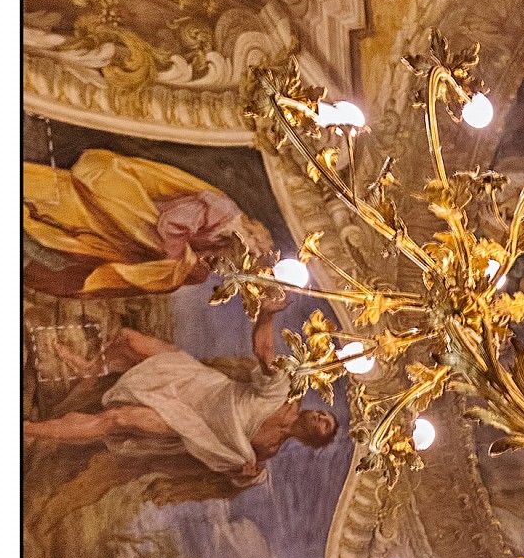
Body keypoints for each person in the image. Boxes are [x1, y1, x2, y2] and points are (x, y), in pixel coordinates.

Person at [22, 294, 334, 485]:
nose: (320, 416)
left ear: (313, 439)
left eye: (324, 424)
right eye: (324, 413)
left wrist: (242, 475)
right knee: (128, 338)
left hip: (188, 421)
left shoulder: (268, 450)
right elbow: (264, 349)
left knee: (117, 419)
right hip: (195, 382)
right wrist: (266, 313)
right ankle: (90, 369)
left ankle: (30, 429)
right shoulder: (283, 395)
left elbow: (229, 468)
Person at [23, 145, 272, 299]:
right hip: (136, 213)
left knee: (80, 231)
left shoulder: (224, 235)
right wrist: (178, 258)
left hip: (137, 231)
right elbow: (173, 223)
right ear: (250, 238)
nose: (237, 260)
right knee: (74, 210)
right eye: (248, 253)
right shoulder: (223, 214)